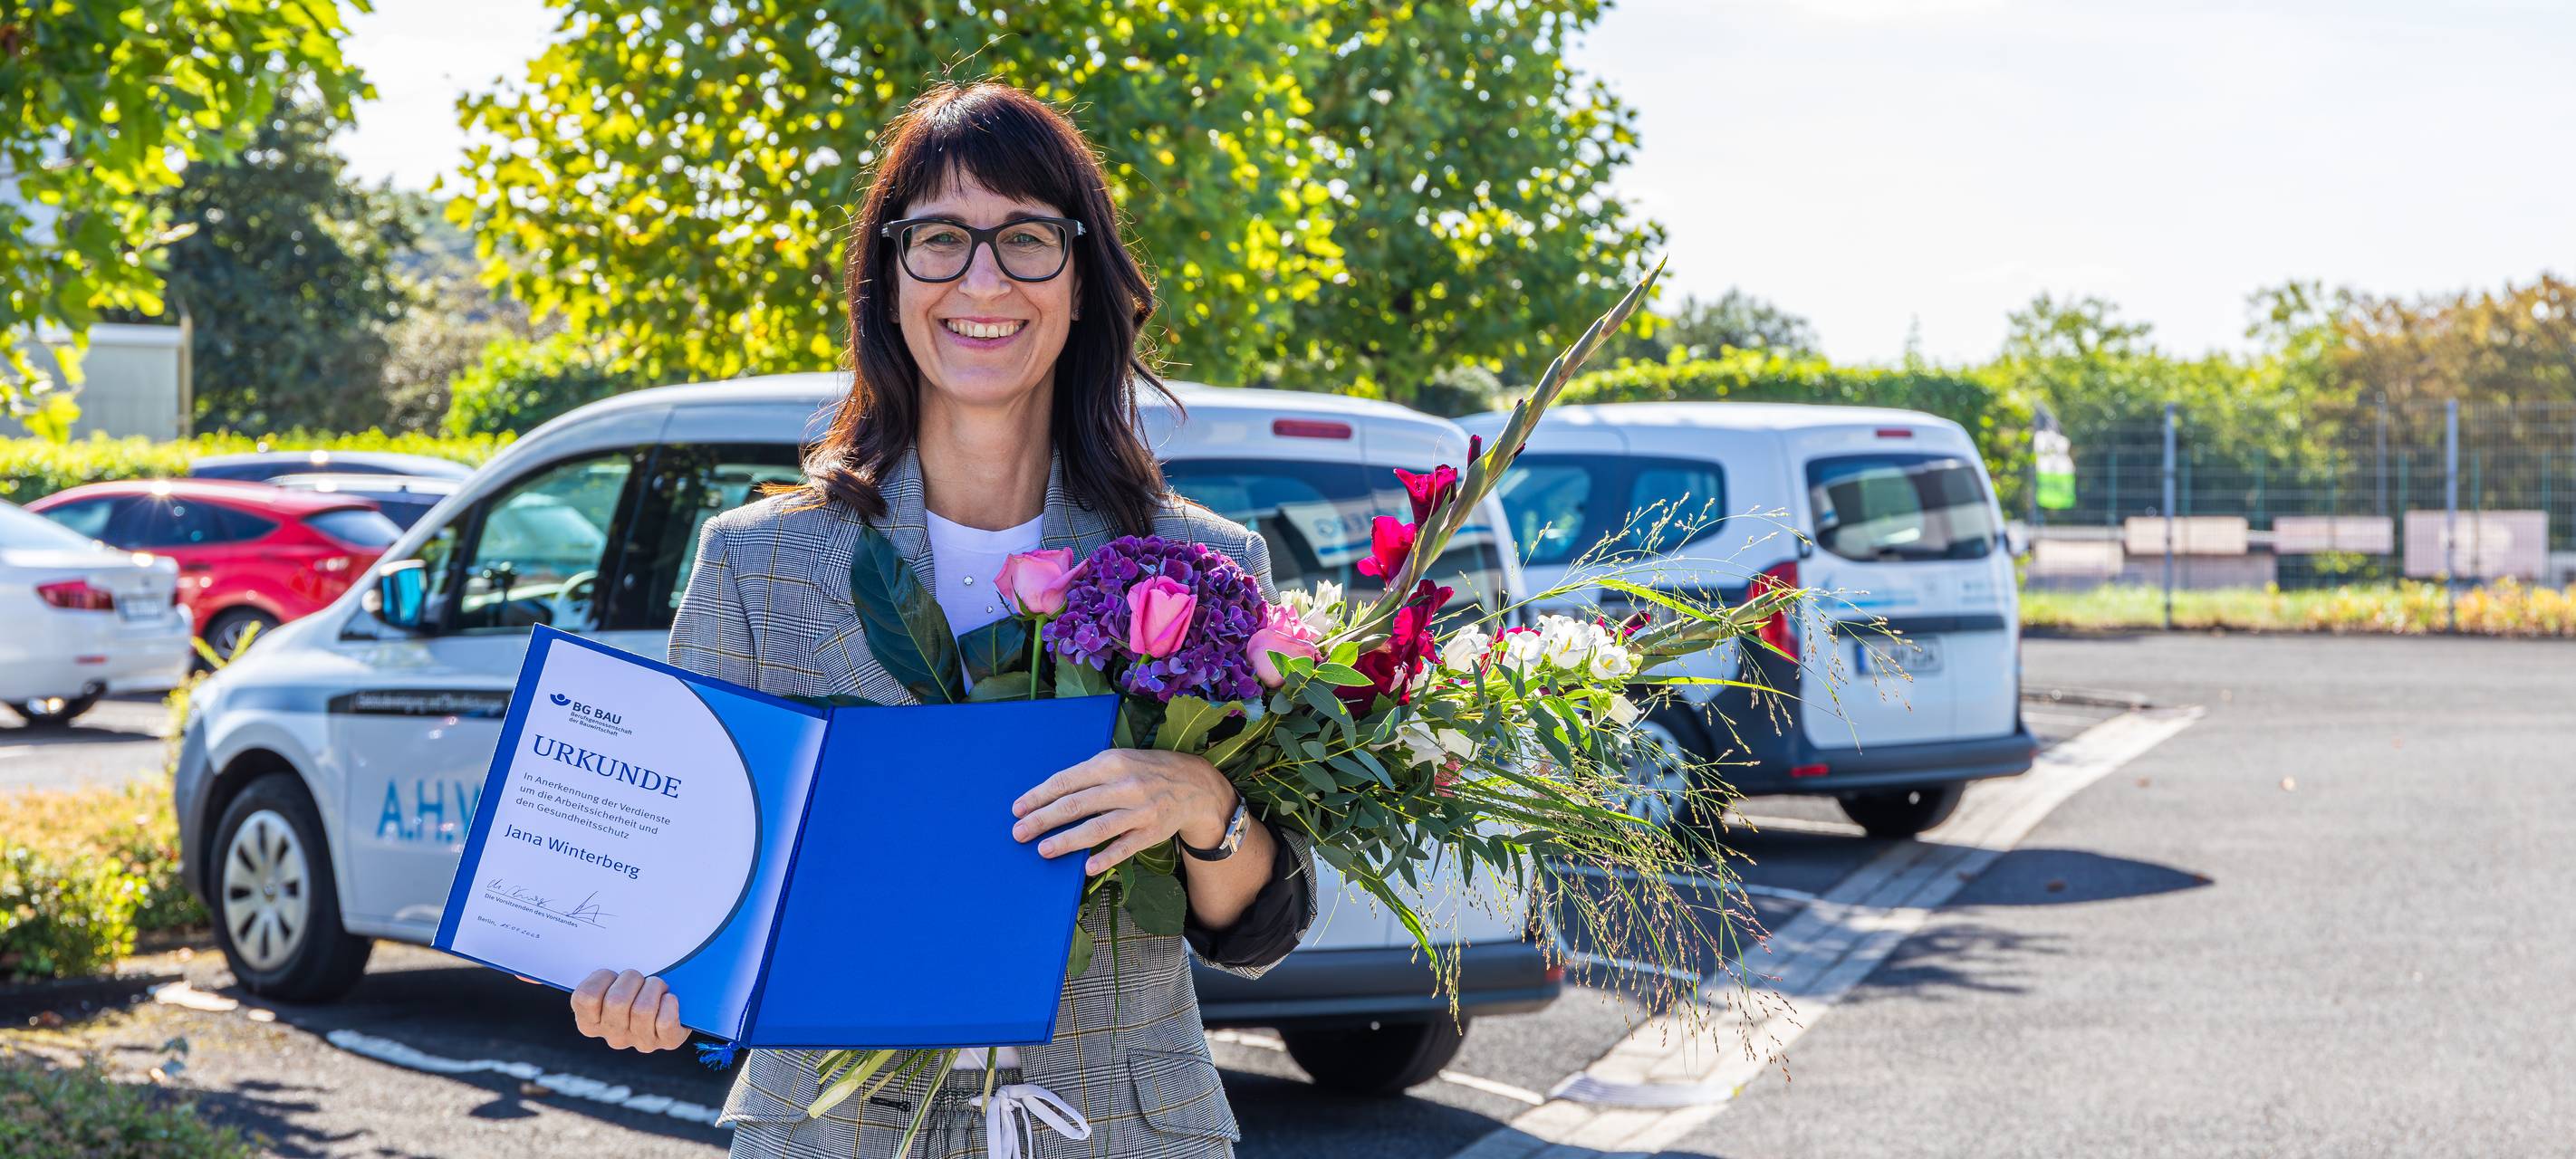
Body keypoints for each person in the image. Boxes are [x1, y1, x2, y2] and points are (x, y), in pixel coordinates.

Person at [563, 81, 1316, 1158]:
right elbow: (690, 891)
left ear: (1082, 278)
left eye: (1025, 238)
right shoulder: (753, 564)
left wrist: (1201, 796)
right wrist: (643, 983)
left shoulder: (1206, 567)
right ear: (888, 275)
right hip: (833, 1131)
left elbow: (1261, 930)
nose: (982, 279)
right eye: (939, 240)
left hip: (1123, 1129)